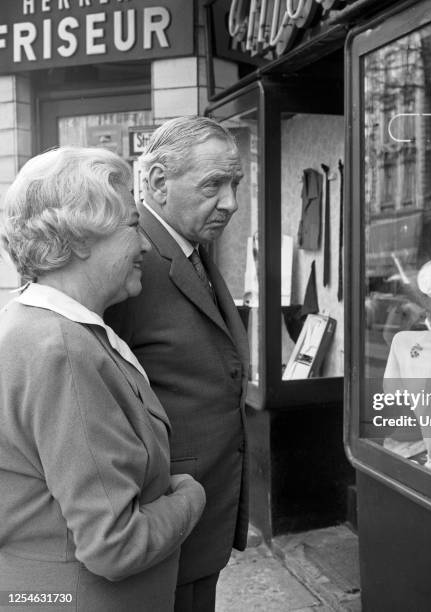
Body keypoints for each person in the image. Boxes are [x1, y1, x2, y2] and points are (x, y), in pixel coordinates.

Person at [0, 147, 206, 611]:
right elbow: (116, 545)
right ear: (78, 239)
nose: (147, 246)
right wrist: (190, 496)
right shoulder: (62, 350)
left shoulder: (29, 327)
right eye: (133, 226)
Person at [105, 116, 250, 612]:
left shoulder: (188, 246)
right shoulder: (130, 258)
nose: (230, 202)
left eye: (235, 184)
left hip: (198, 515)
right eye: (214, 184)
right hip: (164, 518)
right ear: (158, 183)